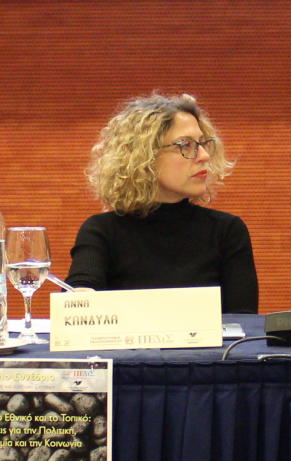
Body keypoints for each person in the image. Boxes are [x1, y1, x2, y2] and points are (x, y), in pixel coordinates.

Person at [66, 93, 259, 313]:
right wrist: (78, 297)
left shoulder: (227, 231)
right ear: (144, 157)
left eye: (203, 143)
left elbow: (243, 324)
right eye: (185, 145)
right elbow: (78, 296)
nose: (204, 155)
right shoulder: (101, 230)